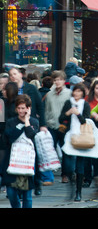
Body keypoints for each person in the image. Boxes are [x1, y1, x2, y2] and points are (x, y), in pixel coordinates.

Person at [8, 66, 47, 195]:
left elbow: (40, 107)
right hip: (16, 123)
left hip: (31, 123)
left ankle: (37, 183)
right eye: (10, 74)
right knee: (17, 155)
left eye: (14, 73)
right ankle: (18, 184)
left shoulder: (31, 88)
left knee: (33, 154)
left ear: (20, 74)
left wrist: (42, 124)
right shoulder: (11, 89)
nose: (13, 76)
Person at [2, 94, 39, 208]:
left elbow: (31, 135)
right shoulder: (11, 122)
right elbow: (9, 137)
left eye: (23, 108)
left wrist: (26, 120)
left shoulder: (34, 122)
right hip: (12, 160)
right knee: (11, 193)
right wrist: (19, 126)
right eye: (19, 108)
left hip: (28, 162)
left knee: (27, 196)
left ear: (28, 108)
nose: (21, 111)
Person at [59, 83, 91, 202]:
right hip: (69, 136)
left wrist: (78, 114)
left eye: (79, 91)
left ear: (82, 93)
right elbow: (61, 119)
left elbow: (86, 122)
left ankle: (78, 192)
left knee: (80, 167)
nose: (76, 94)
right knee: (68, 166)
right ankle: (72, 186)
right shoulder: (68, 103)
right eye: (75, 91)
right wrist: (68, 113)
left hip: (82, 137)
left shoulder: (85, 105)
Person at [44, 70, 72, 184]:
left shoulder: (69, 94)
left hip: (64, 125)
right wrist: (46, 122)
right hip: (51, 125)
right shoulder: (49, 94)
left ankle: (65, 174)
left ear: (64, 81)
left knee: (66, 151)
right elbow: (47, 110)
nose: (57, 82)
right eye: (55, 80)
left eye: (60, 79)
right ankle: (48, 174)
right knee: (49, 149)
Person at [83, 79, 98, 187]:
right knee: (88, 155)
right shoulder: (88, 99)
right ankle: (87, 178)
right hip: (90, 128)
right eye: (97, 88)